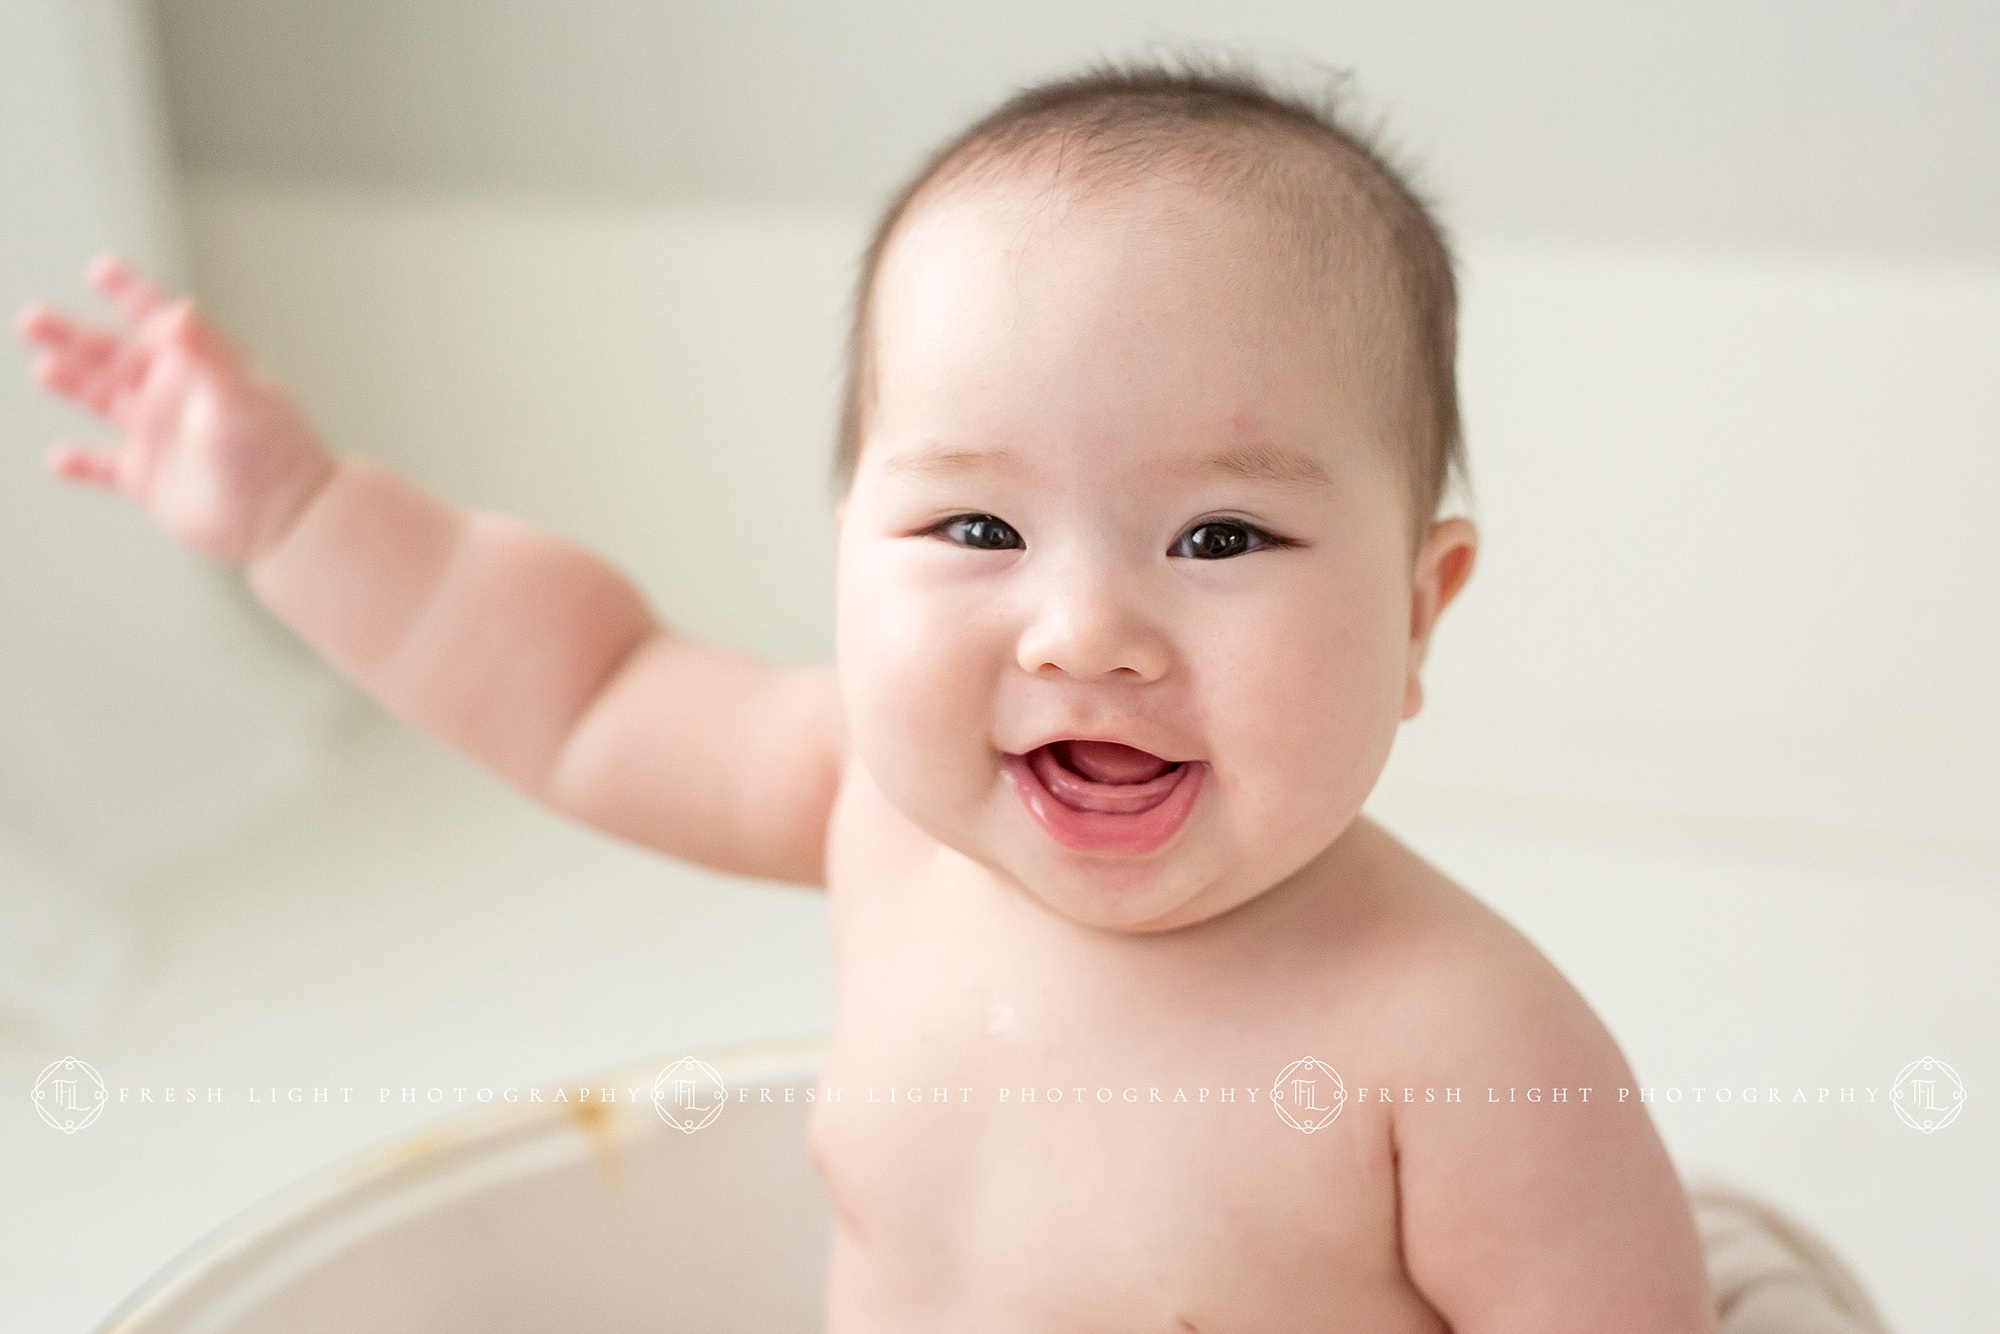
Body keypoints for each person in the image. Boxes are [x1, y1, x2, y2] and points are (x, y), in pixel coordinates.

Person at [29, 56, 1866, 1333]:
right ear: (849, 542)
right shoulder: (870, 807)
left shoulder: (1462, 1045)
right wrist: (297, 513)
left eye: (1220, 538)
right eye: (976, 520)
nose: (1084, 631)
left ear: (1418, 609)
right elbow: (579, 688)